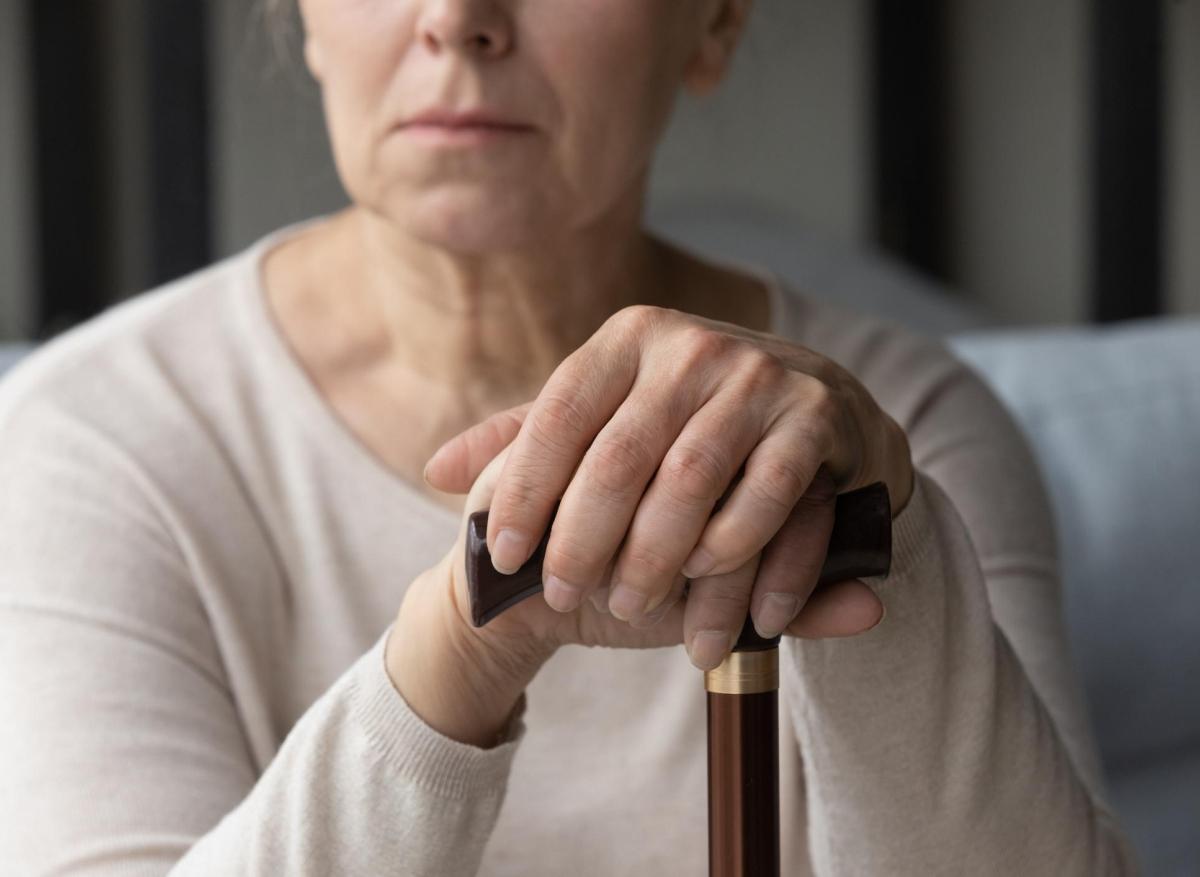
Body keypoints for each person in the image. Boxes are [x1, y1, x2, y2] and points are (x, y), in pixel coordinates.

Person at [0, 0, 1137, 873]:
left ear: (715, 21)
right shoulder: (95, 437)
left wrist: (888, 549)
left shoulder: (900, 427)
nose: (458, 17)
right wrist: (458, 649)